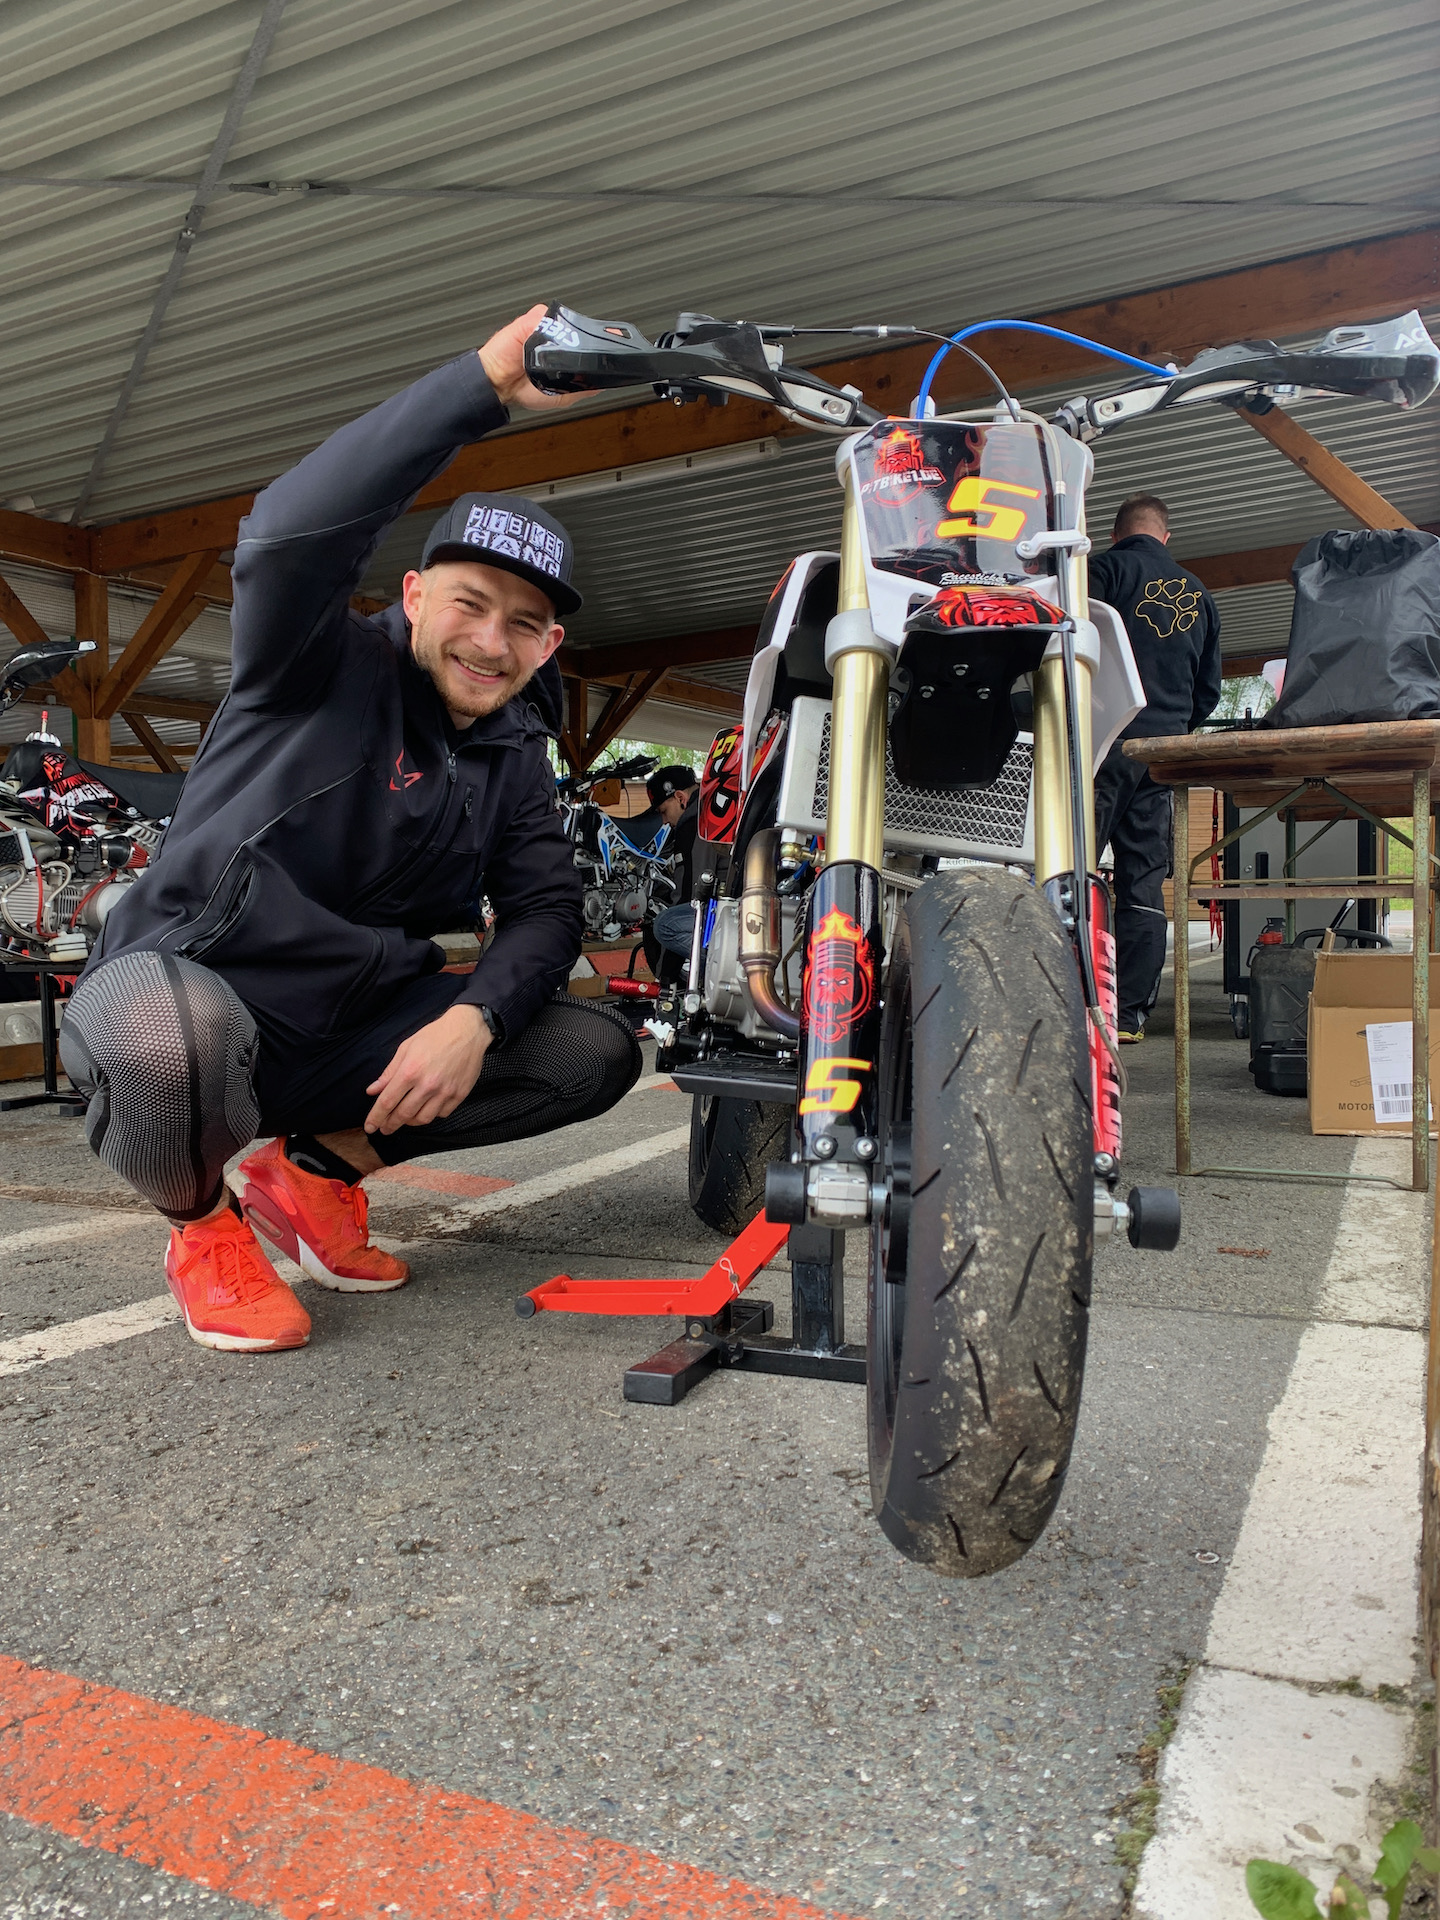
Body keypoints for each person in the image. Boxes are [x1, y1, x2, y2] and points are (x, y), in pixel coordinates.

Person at [60, 307, 641, 1354]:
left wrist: (475, 1022)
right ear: (413, 595)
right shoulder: (314, 664)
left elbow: (548, 910)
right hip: (196, 996)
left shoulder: (515, 752)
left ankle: (315, 1175)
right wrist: (481, 385)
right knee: (158, 1033)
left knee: (588, 1050)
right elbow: (288, 532)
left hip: (349, 1030)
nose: (490, 642)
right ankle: (203, 1227)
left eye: (523, 625)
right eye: (470, 603)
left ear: (550, 645)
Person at [1088, 493, 1221, 1042]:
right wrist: (1172, 729)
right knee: (1143, 882)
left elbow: (1067, 650)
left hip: (1106, 742)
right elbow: (1207, 691)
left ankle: (1068, 999)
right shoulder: (1199, 593)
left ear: (1115, 534)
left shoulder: (1102, 572)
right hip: (1163, 755)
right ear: (1166, 536)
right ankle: (1128, 1016)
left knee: (1071, 864)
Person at [645, 765, 700, 971]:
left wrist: (665, 972)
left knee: (665, 925)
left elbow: (688, 895)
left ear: (680, 798)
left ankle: (717, 963)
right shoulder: (715, 809)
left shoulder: (691, 825)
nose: (665, 821)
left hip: (722, 919)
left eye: (664, 811)